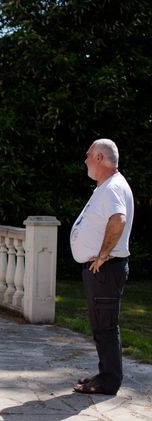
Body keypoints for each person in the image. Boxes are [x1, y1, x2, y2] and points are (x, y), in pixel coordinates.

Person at [70, 139, 133, 395]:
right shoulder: (107, 187)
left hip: (105, 270)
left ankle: (109, 380)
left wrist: (103, 255)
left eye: (88, 155)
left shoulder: (112, 188)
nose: (85, 160)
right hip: (103, 270)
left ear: (98, 158)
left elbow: (118, 219)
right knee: (102, 325)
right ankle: (105, 374)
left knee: (105, 326)